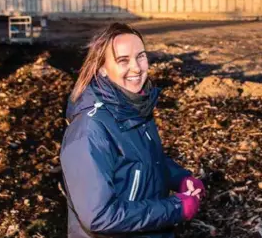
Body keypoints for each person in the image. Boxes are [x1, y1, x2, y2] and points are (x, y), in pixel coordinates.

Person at [60, 22, 206, 238]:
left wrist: (180, 179)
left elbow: (143, 160)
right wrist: (175, 208)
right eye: (122, 60)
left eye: (141, 56)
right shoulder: (89, 131)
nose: (136, 67)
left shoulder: (134, 106)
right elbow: (99, 216)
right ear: (102, 69)